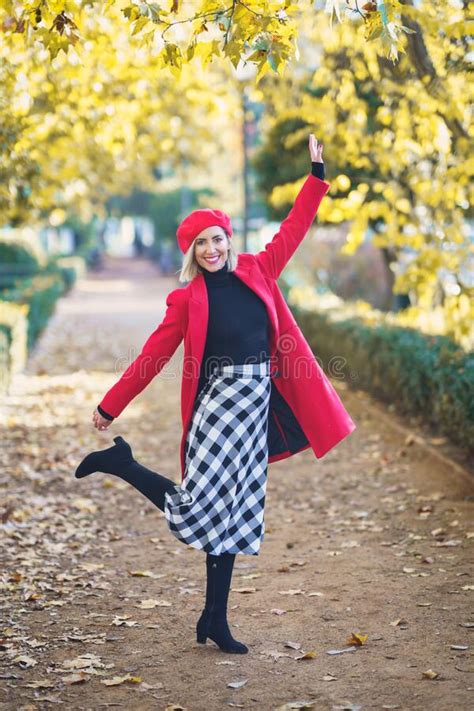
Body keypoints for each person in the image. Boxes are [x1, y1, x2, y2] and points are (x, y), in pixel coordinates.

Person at [74, 134, 356, 655]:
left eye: (217, 239)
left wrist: (316, 180)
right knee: (200, 509)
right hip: (218, 410)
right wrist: (110, 405)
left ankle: (214, 619)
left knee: (232, 513)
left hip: (256, 409)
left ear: (228, 240)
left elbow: (292, 230)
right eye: (200, 243)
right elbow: (151, 356)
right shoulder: (186, 299)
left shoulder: (258, 271)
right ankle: (123, 464)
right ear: (191, 252)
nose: (211, 249)